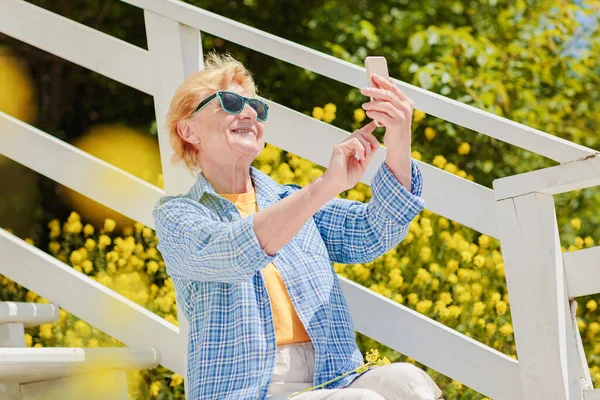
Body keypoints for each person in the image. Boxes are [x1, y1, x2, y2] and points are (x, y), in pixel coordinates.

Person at [153, 52, 443, 400]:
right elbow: (233, 252)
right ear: (188, 130)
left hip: (333, 378)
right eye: (229, 102)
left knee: (409, 383)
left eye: (256, 108)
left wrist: (398, 137)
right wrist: (324, 186)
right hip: (249, 392)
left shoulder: (291, 200)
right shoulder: (178, 215)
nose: (248, 112)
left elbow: (372, 232)